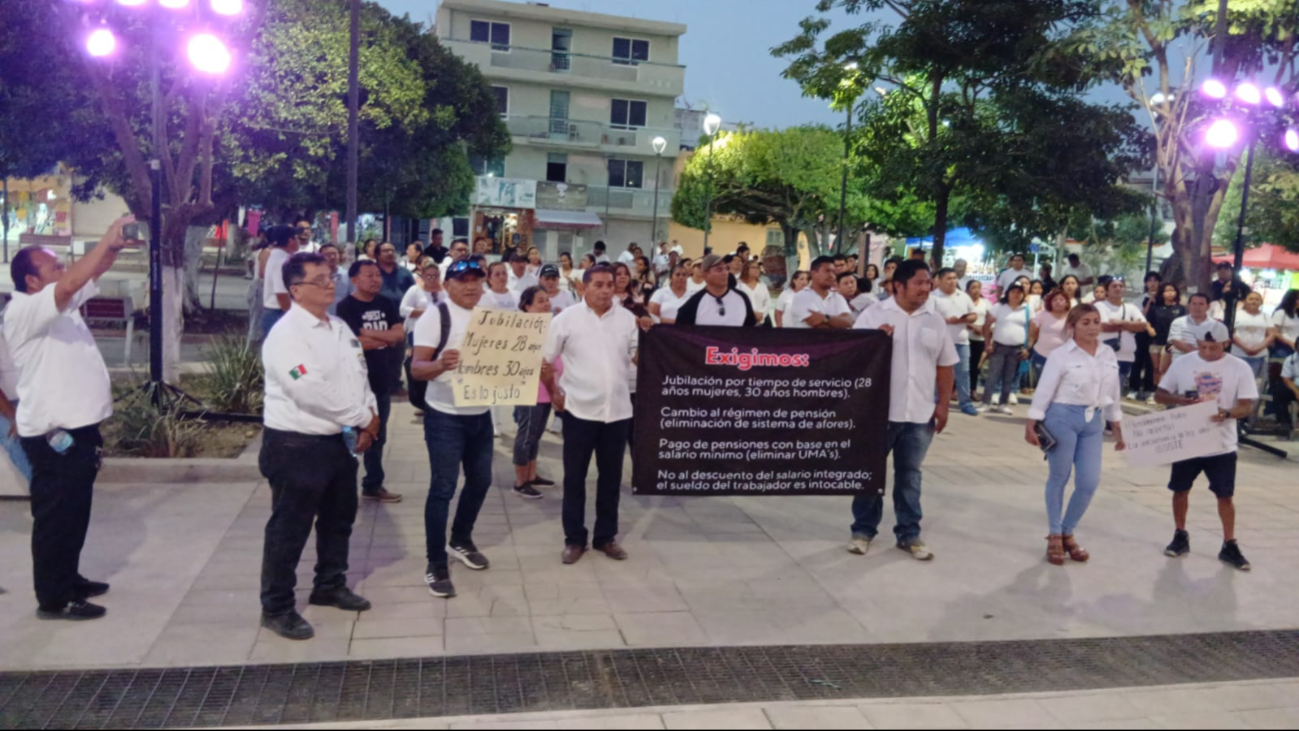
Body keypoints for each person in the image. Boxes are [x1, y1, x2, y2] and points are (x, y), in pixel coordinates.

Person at [5, 217, 133, 621]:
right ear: (30, 281)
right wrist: (103, 238)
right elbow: (72, 282)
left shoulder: (60, 306)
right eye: (53, 267)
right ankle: (54, 597)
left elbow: (87, 275)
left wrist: (111, 250)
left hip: (78, 430)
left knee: (75, 511)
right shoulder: (26, 310)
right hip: (51, 434)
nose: (63, 271)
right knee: (56, 517)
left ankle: (68, 576)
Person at [259, 252, 379, 640]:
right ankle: (277, 607)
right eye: (320, 279)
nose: (331, 284)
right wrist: (359, 418)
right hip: (296, 444)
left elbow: (359, 376)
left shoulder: (339, 327)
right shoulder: (287, 334)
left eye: (331, 277)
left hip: (338, 442)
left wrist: (368, 414)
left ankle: (329, 584)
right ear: (295, 289)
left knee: (338, 519)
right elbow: (307, 389)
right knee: (289, 528)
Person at [849, 259, 956, 561]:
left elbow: (945, 365)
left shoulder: (934, 320)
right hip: (879, 412)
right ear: (899, 285)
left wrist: (943, 404)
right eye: (920, 282)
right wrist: (873, 341)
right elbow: (852, 357)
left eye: (928, 282)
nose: (927, 287)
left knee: (910, 476)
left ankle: (909, 534)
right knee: (870, 474)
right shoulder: (873, 315)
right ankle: (863, 530)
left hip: (920, 413)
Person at [410, 259, 496, 599]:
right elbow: (417, 369)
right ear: (448, 285)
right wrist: (439, 364)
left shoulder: (488, 314)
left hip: (481, 411)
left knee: (481, 480)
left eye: (477, 280)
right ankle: (435, 562)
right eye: (463, 280)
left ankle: (460, 538)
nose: (471, 286)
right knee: (443, 487)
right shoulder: (436, 316)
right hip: (445, 414)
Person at [542, 264, 638, 565]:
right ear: (584, 288)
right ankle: (574, 539)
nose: (606, 290)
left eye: (610, 284)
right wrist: (554, 391)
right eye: (598, 284)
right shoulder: (566, 320)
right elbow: (544, 360)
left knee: (611, 478)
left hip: (618, 412)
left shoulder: (627, 319)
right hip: (579, 411)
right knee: (575, 477)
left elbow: (640, 355)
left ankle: (605, 537)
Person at [1026, 304, 1126, 566]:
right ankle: (1055, 533)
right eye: (1085, 323)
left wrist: (1116, 422)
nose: (1092, 327)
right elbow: (1045, 390)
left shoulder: (1107, 354)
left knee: (1089, 482)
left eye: (1096, 321)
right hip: (1062, 417)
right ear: (1072, 326)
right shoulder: (1061, 355)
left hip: (1093, 420)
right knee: (1059, 477)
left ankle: (1068, 530)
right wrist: (1032, 421)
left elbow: (1113, 390)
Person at [1155, 321, 1257, 572]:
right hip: (1189, 438)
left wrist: (1226, 413)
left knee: (1225, 495)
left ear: (1226, 344)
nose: (1209, 352)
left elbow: (1247, 405)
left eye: (1214, 347)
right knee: (1180, 489)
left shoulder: (1239, 367)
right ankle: (1180, 533)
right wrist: (1181, 400)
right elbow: (1160, 394)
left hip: (1221, 443)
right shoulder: (1184, 363)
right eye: (1203, 347)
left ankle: (1229, 542)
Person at [336, 260, 406, 505]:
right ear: (354, 279)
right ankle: (342, 486)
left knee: (378, 434)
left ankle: (373, 484)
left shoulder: (386, 303)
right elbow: (353, 343)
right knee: (351, 435)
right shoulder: (345, 308)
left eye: (378, 275)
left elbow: (399, 335)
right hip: (354, 384)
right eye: (369, 275)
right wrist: (381, 339)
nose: (376, 279)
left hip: (381, 379)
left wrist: (370, 334)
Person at [512, 286, 557, 500]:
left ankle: (532, 474)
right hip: (529, 390)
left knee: (536, 436)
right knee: (526, 436)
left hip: (547, 389)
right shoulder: (522, 330)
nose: (546, 303)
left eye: (547, 299)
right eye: (540, 301)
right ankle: (520, 480)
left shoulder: (551, 327)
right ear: (527, 306)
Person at [932, 267, 979, 417]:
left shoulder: (963, 296)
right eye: (948, 278)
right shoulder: (933, 297)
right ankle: (935, 400)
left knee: (963, 373)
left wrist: (962, 320)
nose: (952, 281)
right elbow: (927, 318)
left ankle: (965, 402)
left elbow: (973, 315)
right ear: (939, 281)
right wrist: (945, 321)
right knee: (938, 373)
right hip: (940, 342)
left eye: (954, 278)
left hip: (961, 341)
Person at [980, 283, 1033, 415]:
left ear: (1023, 294)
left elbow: (1033, 330)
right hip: (999, 347)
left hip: (1017, 349)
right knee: (993, 375)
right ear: (1007, 293)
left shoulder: (1027, 308)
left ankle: (1003, 404)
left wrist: (1028, 348)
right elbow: (986, 326)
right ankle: (985, 403)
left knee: (1009, 377)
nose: (1016, 294)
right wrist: (988, 344)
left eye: (1019, 292)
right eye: (1013, 291)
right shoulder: (999, 306)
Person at [400, 260, 445, 413]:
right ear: (423, 276)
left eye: (435, 276)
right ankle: (421, 400)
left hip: (440, 333)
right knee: (422, 364)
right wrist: (425, 312)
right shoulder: (415, 290)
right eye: (429, 276)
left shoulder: (445, 291)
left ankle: (435, 400)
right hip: (418, 332)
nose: (432, 279)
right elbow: (403, 310)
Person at [673, 255, 757, 327]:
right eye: (719, 269)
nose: (725, 273)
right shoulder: (693, 304)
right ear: (705, 274)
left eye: (726, 268)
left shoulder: (742, 298)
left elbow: (750, 333)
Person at [1096, 278, 1150, 386]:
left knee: (1117, 394)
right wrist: (1130, 325)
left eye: (1121, 286)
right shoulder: (1099, 306)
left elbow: (1143, 326)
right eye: (1114, 286)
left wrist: (1119, 323)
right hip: (1104, 356)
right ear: (1107, 290)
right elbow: (1104, 326)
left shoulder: (1131, 308)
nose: (1118, 288)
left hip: (1126, 357)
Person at [788, 256, 854, 330]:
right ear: (813, 273)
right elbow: (821, 328)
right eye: (827, 271)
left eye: (833, 272)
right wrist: (838, 322)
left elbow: (849, 321)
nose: (832, 276)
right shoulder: (801, 297)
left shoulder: (837, 297)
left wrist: (825, 318)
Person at [260, 225, 300, 338]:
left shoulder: (275, 256)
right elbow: (282, 294)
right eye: (296, 238)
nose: (298, 241)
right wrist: (292, 316)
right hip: (278, 313)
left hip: (275, 313)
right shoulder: (282, 261)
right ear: (290, 241)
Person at [1148, 283, 1186, 402]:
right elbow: (1148, 321)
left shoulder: (1180, 309)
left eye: (1172, 290)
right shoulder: (1156, 308)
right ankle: (1154, 391)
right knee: (1155, 368)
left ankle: (1164, 393)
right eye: (1166, 291)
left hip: (1169, 344)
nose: (1169, 293)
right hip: (1155, 341)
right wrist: (1150, 329)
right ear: (1162, 293)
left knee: (1163, 369)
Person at [1131, 272, 1163, 401]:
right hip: (1141, 333)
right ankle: (1134, 388)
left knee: (1153, 363)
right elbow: (1139, 316)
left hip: (1158, 335)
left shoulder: (1163, 298)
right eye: (1150, 281)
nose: (1153, 283)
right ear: (1145, 283)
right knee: (1138, 360)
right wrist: (1149, 302)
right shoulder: (1139, 299)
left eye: (1156, 280)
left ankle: (1150, 389)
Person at [1030, 289, 1072, 383]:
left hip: (1063, 356)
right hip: (1041, 354)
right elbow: (1033, 333)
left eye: (1061, 299)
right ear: (1050, 302)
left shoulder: (1071, 316)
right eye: (1055, 300)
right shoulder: (1042, 315)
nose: (1058, 302)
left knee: (1059, 384)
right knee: (1043, 383)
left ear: (1066, 302)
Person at [1232, 291, 1274, 382]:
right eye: (1251, 299)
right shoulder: (1236, 315)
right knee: (1234, 380)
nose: (1253, 301)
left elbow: (1271, 335)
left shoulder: (1266, 317)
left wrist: (1257, 349)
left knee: (1251, 381)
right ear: (1245, 301)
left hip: (1258, 355)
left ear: (1261, 302)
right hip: (1238, 354)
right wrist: (1245, 348)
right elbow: (1232, 333)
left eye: (1257, 299)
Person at [1169, 293, 1217, 361]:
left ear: (1208, 307)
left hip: (1206, 362)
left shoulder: (1215, 325)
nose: (1197, 307)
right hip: (1181, 361)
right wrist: (1199, 353)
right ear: (1188, 306)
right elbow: (1177, 342)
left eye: (1201, 304)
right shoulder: (1178, 322)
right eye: (1194, 304)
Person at [966, 279, 992, 402]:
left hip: (980, 337)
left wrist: (983, 329)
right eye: (973, 287)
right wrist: (972, 326)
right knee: (964, 365)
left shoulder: (985, 302)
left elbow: (990, 319)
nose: (976, 290)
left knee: (975, 365)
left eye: (978, 287)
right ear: (967, 289)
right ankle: (958, 390)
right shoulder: (964, 302)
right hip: (965, 336)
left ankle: (973, 389)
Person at [738, 259, 773, 324]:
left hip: (761, 322)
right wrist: (752, 313)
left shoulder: (762, 285)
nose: (757, 270)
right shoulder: (739, 285)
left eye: (758, 268)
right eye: (754, 267)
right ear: (746, 269)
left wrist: (761, 313)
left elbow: (768, 302)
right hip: (744, 322)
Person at [1273, 350, 1299, 438]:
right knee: (1279, 391)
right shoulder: (1290, 359)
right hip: (1295, 386)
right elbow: (1286, 379)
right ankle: (1284, 423)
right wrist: (1296, 391)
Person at [1271, 289, 1299, 358]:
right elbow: (1275, 332)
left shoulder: (1297, 314)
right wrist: (1290, 343)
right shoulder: (1281, 313)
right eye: (1298, 299)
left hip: (1296, 348)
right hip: (1284, 348)